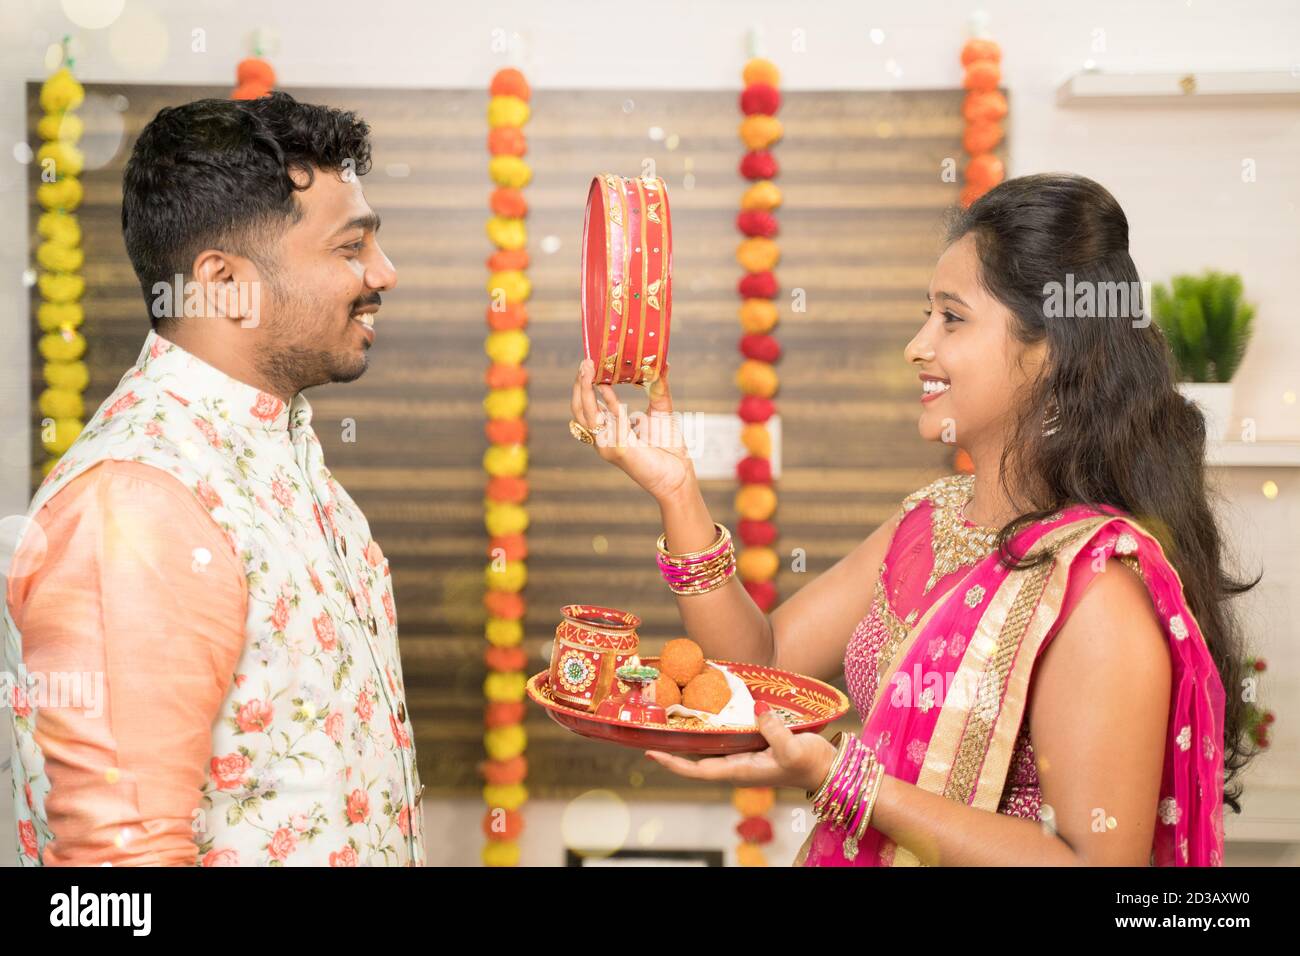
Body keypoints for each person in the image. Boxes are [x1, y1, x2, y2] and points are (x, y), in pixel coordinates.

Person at [567, 173, 1257, 866]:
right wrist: (678, 494)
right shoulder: (927, 522)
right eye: (927, 314)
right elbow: (761, 669)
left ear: (1049, 353)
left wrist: (843, 780)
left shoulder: (1098, 588)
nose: (917, 346)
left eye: (951, 318)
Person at [4, 92, 424, 866]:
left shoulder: (277, 454)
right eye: (350, 248)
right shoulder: (137, 502)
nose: (384, 273)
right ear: (223, 282)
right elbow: (117, 866)